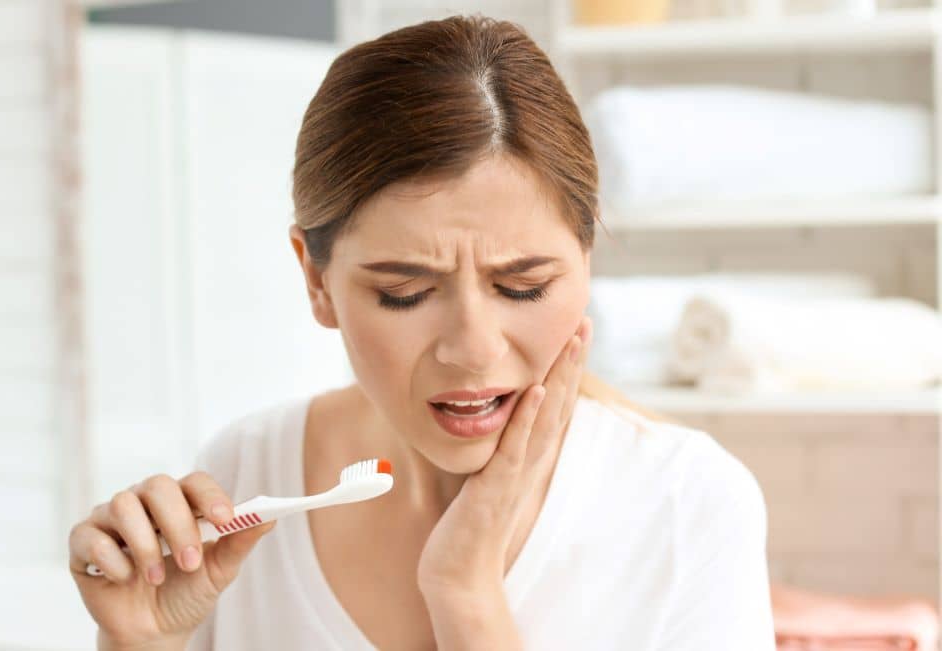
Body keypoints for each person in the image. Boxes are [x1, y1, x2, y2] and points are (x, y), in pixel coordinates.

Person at [68, 14, 775, 650]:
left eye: (523, 285)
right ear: (317, 281)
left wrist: (465, 594)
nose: (472, 345)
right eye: (403, 293)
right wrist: (141, 640)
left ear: (586, 259)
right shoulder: (248, 475)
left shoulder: (688, 505)